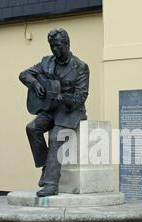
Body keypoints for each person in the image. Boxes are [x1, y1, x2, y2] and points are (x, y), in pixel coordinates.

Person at [19, 28, 89, 197]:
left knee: (55, 136)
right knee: (32, 128)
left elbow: (80, 97)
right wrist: (35, 84)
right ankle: (45, 165)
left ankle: (51, 184)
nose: (54, 50)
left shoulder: (80, 67)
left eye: (57, 46)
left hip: (70, 111)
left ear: (66, 43)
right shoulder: (46, 62)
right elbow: (24, 74)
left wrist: (61, 97)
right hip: (51, 110)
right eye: (51, 46)